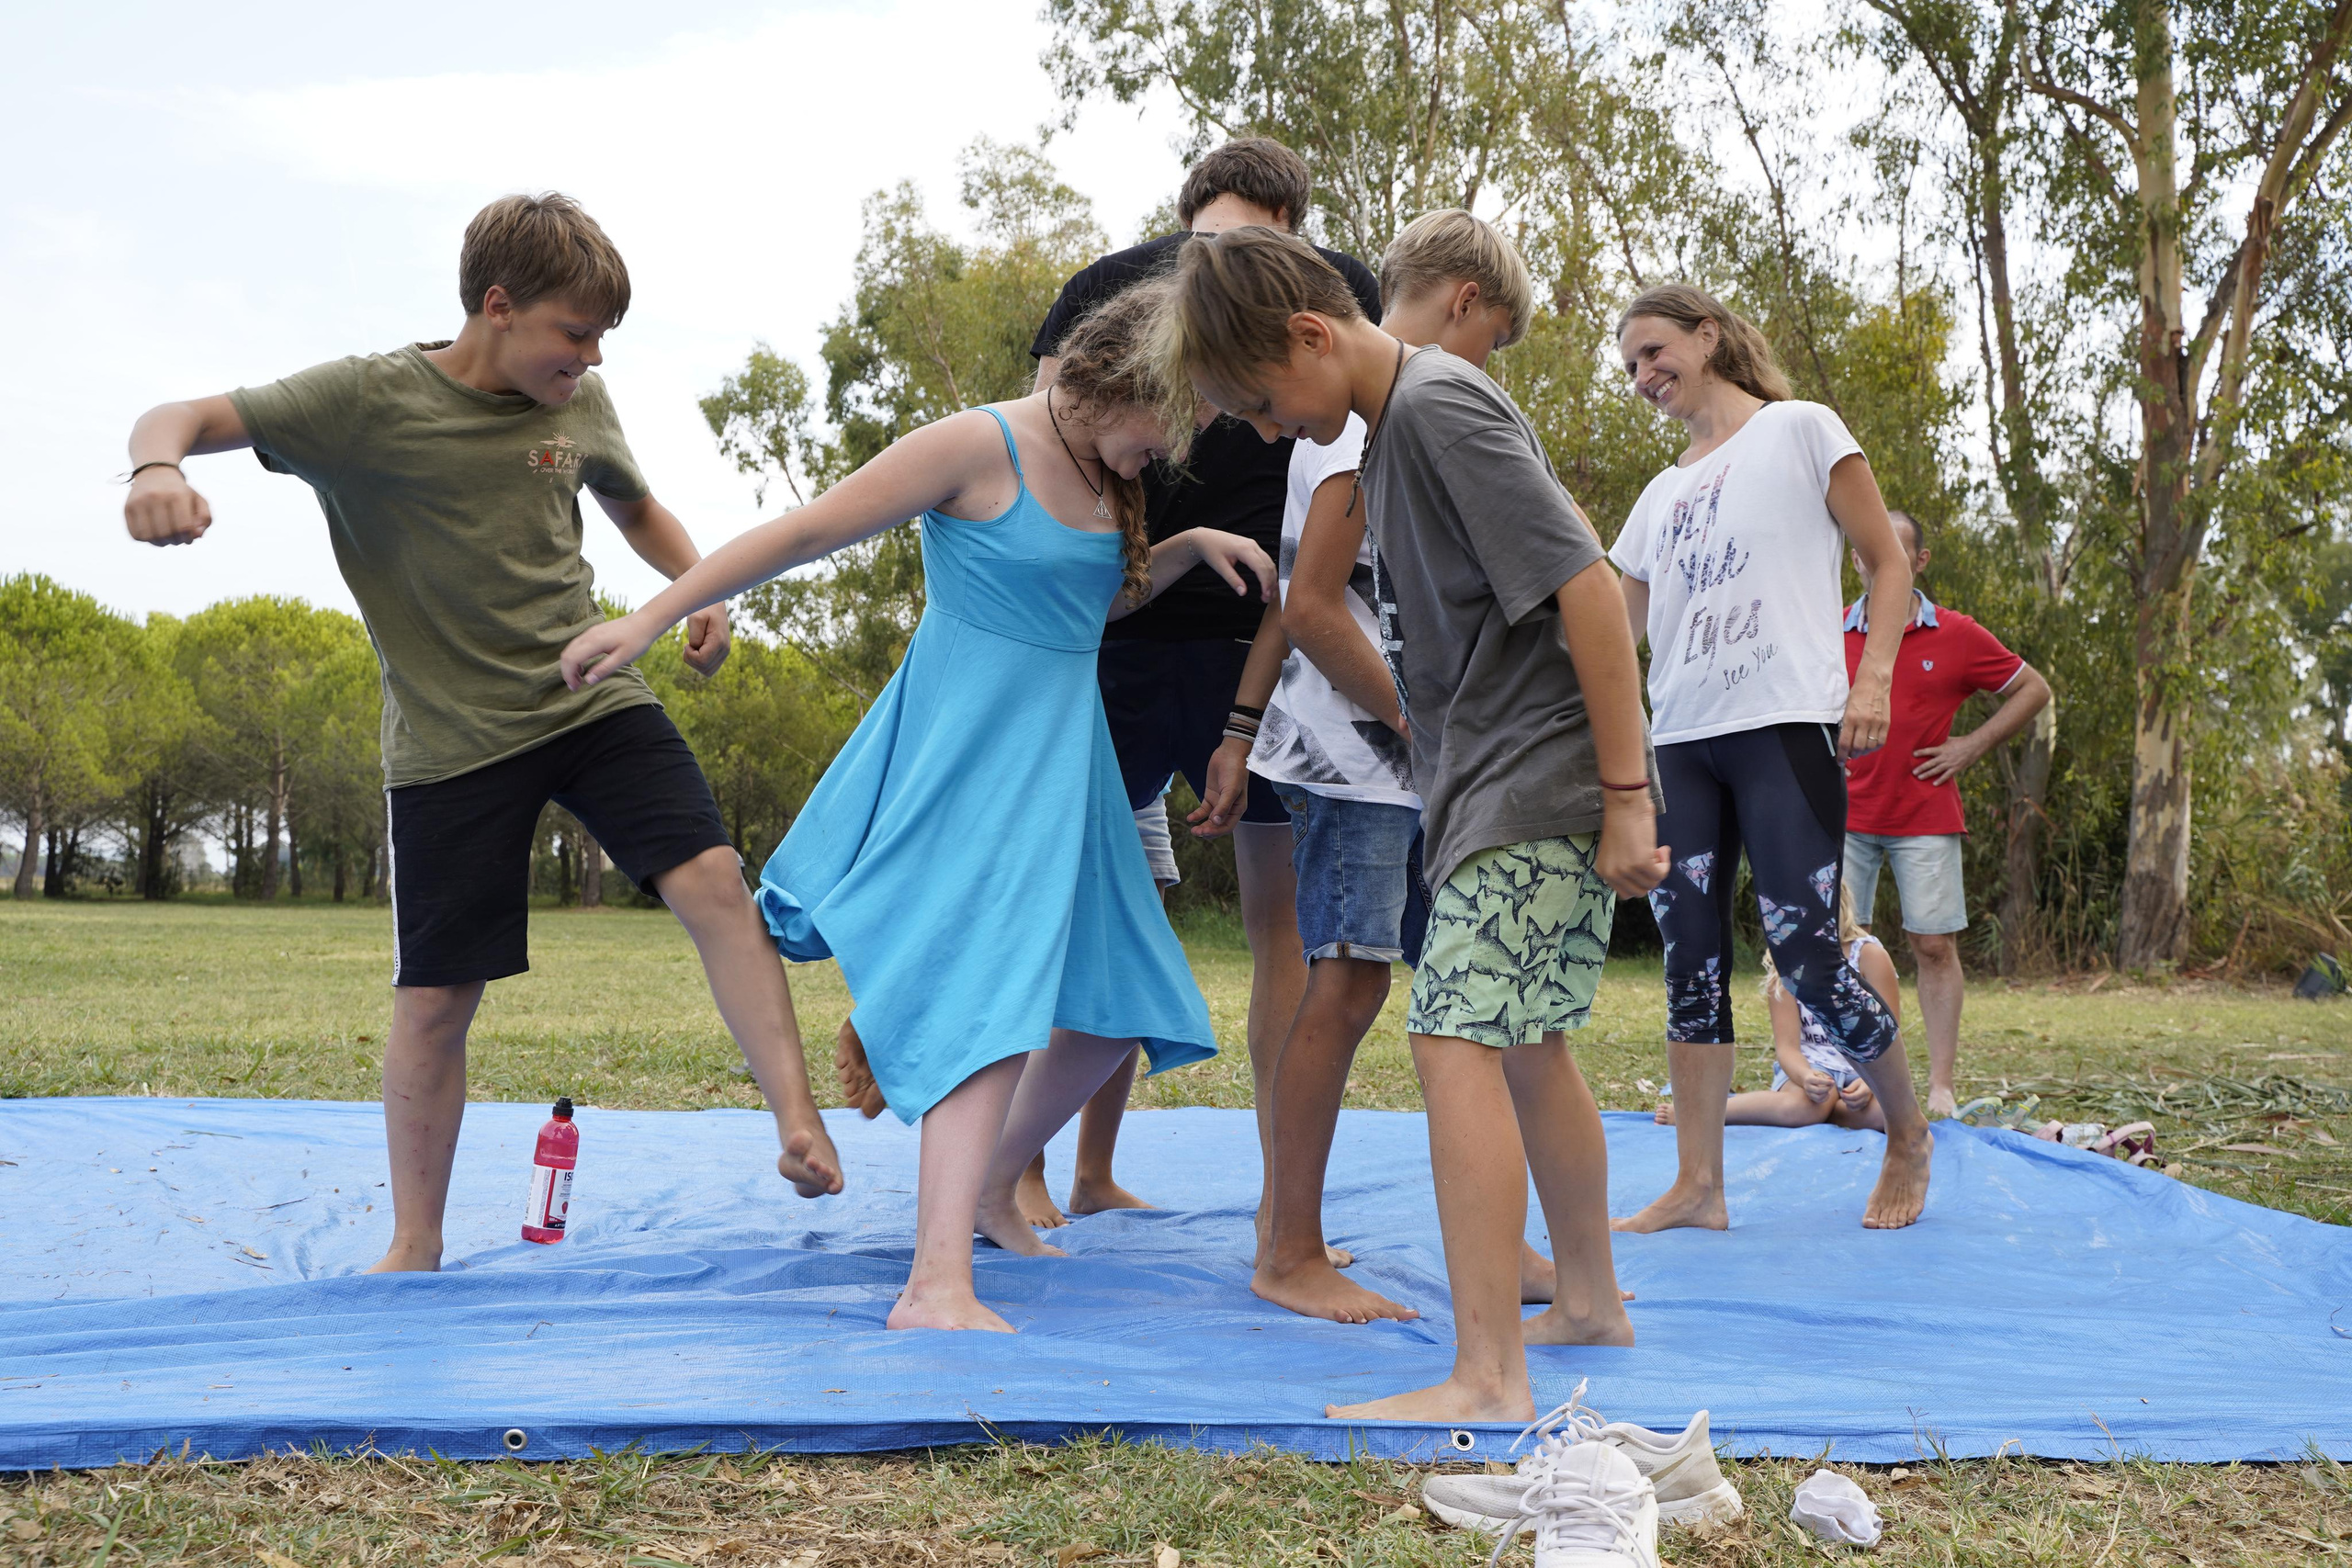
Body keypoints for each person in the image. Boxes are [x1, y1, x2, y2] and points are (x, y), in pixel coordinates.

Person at [118, 193, 844, 1273]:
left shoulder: (577, 404)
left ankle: (797, 1122)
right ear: (497, 307)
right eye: (575, 332)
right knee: (436, 998)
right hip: (451, 737)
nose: (591, 358)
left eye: (602, 339)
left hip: (590, 693)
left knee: (712, 878)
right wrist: (157, 471)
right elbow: (175, 417)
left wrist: (698, 588)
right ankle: (414, 1241)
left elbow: (635, 506)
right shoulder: (362, 402)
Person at [559, 283, 1265, 1333]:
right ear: (1122, 380)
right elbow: (805, 532)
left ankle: (988, 1186)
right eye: (1173, 422)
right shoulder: (978, 445)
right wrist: (655, 615)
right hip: (972, 752)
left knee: (1120, 1004)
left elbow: (1088, 596)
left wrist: (1186, 546)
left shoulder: (1108, 475)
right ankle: (935, 1283)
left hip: (1065, 763)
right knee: (990, 995)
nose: (1172, 450)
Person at [1157, 225, 1668, 1423]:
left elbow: (1589, 586)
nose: (1270, 432)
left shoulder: (1438, 406)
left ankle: (1488, 1375)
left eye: (1263, 403)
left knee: (1451, 1039)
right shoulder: (1390, 432)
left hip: (1530, 777)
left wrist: (1627, 794)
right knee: (1529, 1041)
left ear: (1310, 335)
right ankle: (1588, 1299)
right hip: (1493, 775)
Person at [1012, 137, 1387, 1249]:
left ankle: (1274, 1196)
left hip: (1263, 644)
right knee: (1066, 906)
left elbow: (1354, 449)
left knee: (1283, 926)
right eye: (1210, 251)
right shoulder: (1107, 285)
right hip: (1119, 635)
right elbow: (1048, 437)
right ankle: (1015, 1167)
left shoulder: (1340, 289)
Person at [1215, 209, 1561, 1325]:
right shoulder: (1349, 417)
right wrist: (1415, 721)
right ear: (1464, 302)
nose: (1486, 367)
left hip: (1403, 750)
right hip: (1357, 751)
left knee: (1473, 990)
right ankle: (1288, 1247)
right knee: (1351, 978)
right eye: (1492, 341)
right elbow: (1312, 604)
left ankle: (1497, 1236)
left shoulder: (1386, 402)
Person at [1604, 284, 1934, 1234]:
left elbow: (1886, 561)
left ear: (1707, 335)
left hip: (1784, 726)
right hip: (1680, 744)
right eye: (1629, 365)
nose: (1643, 374)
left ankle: (1907, 1131)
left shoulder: (1800, 429)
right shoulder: (1659, 495)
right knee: (1690, 962)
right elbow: (1611, 634)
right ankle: (1698, 1185)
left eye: (1654, 351)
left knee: (1807, 951)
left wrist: (1871, 681)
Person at [1841, 509, 2051, 1118]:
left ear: (1920, 561)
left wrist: (1971, 745)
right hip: (1845, 815)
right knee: (1841, 946)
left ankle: (1939, 1084)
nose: (1879, 560)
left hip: (1925, 813)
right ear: (1856, 558)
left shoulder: (1956, 634)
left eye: (1895, 550)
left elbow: (2034, 688)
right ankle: (1846, 1073)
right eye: (1868, 549)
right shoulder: (1831, 631)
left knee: (1932, 945)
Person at [1654, 885, 1898, 1132]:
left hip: (1867, 1066)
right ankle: (1700, 1113)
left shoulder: (1869, 955)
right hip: (1812, 1065)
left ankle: (1830, 1112)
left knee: (1887, 1116)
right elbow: (1787, 1048)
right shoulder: (1785, 965)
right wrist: (1806, 1077)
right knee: (1801, 1107)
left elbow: (1889, 1035)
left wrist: (1870, 1083)